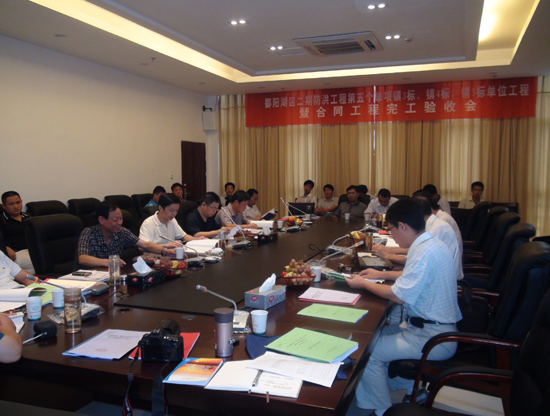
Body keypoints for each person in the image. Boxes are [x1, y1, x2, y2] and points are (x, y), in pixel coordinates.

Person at [345, 198, 461, 416]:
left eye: (391, 230)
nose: (392, 236)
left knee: (367, 352)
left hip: (433, 338)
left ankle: (380, 410)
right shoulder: (430, 244)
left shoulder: (424, 251)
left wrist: (363, 283)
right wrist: (378, 274)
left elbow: (398, 295)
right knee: (372, 335)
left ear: (402, 226)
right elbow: (412, 277)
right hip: (430, 328)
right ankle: (409, 389)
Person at [372, 192, 462, 280]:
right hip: (435, 276)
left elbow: (416, 259)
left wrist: (387, 255)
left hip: (448, 278)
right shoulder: (430, 224)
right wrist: (388, 251)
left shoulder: (438, 227)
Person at [75, 201, 176, 270]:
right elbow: (83, 258)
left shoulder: (121, 232)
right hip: (86, 281)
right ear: (101, 220)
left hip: (111, 277)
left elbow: (145, 245)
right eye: (115, 220)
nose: (119, 222)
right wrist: (109, 262)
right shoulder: (88, 233)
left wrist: (166, 251)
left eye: (121, 218)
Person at [0, 191, 35, 274]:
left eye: (18, 202)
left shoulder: (27, 216)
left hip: (31, 249)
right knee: (35, 262)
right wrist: (5, 247)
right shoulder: (2, 219)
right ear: (4, 206)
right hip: (16, 253)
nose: (16, 206)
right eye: (11, 204)